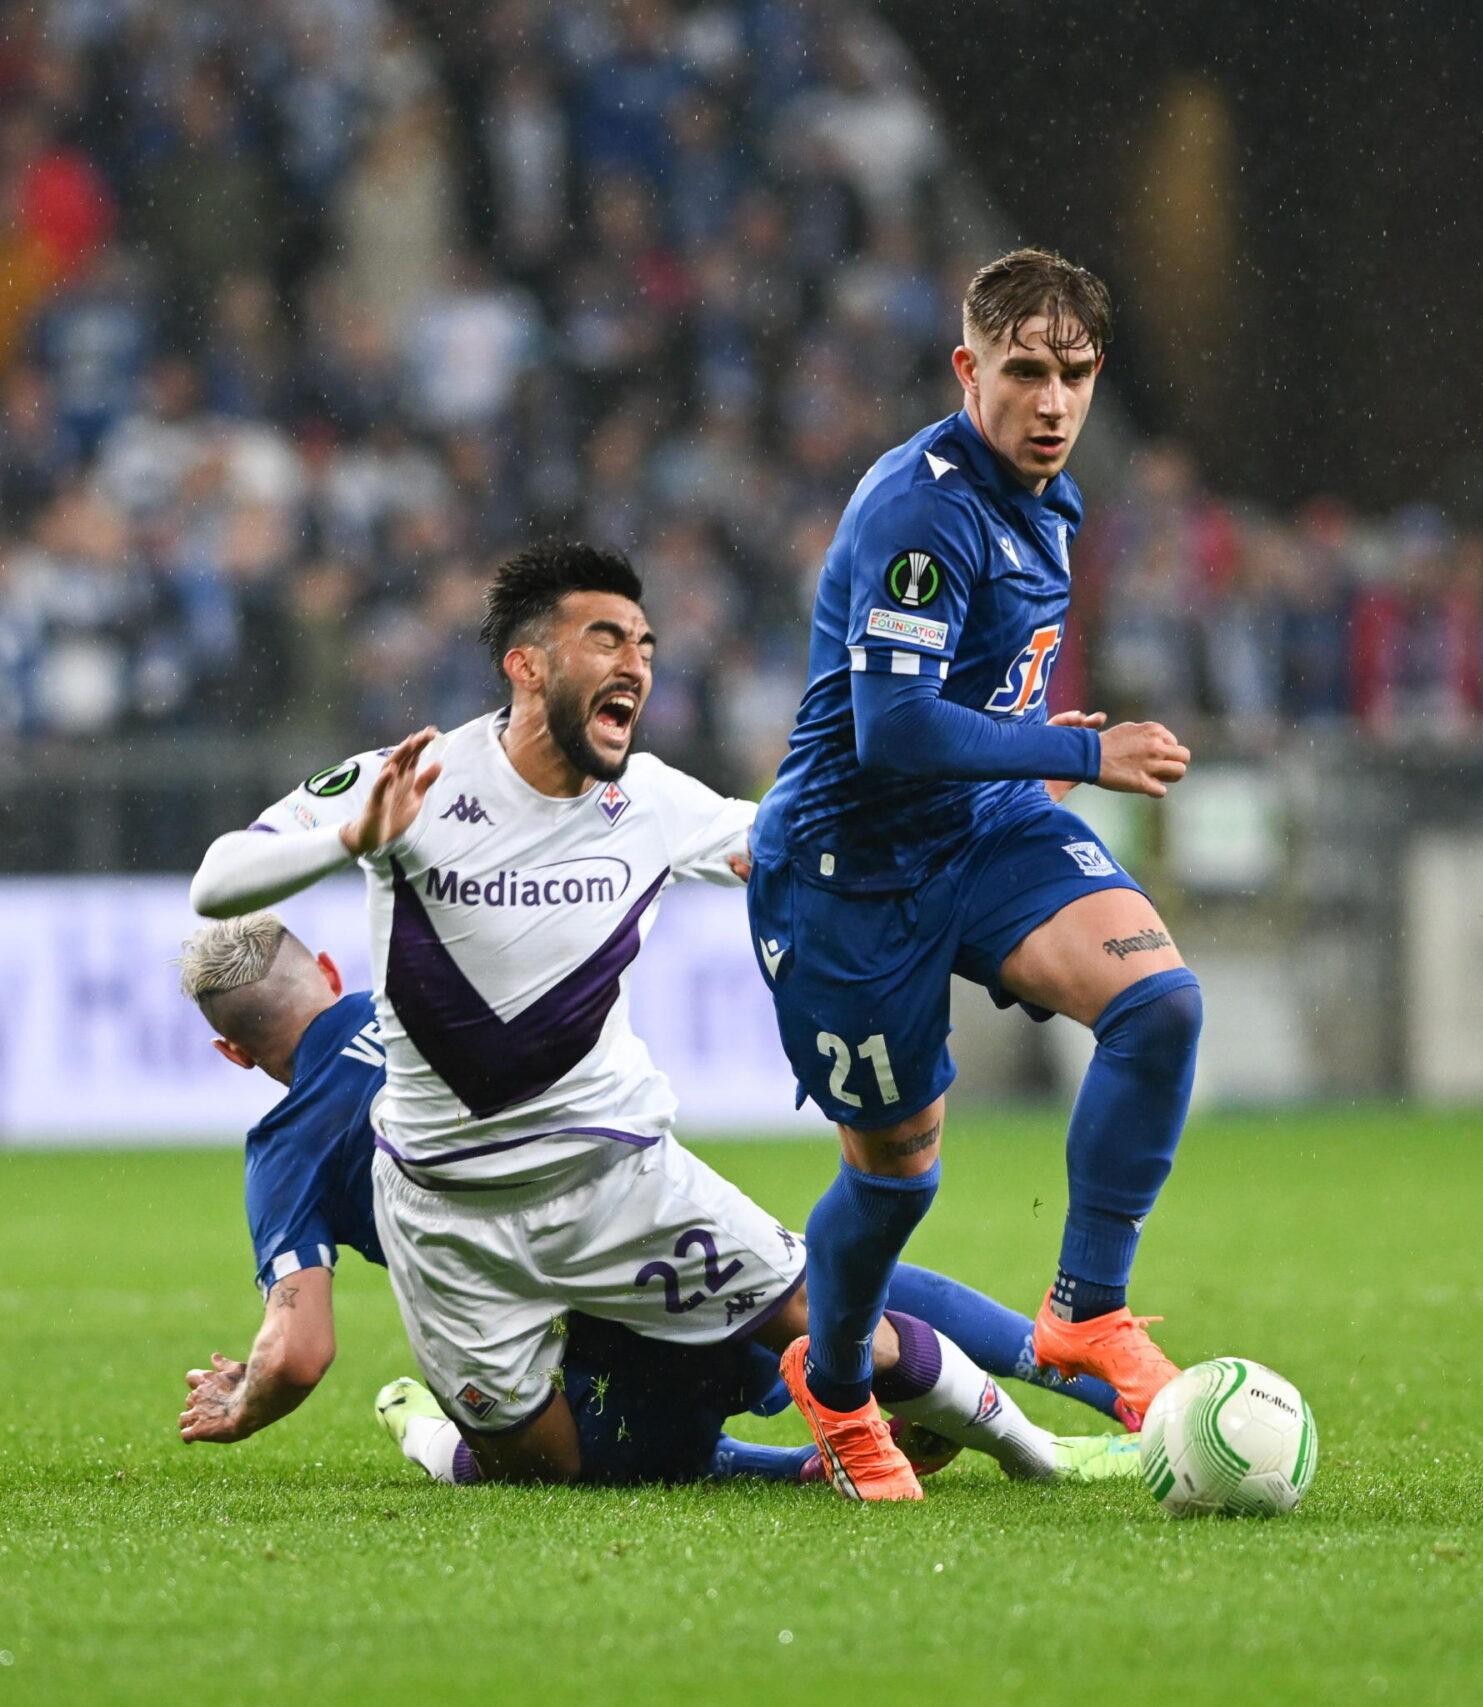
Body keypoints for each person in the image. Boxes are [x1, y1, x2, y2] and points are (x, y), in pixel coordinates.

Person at [181, 542, 1049, 1486]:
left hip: (618, 1177)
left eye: (644, 642)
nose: (636, 660)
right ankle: (434, 1429)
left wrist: (981, 812)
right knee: (546, 1470)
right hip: (445, 1220)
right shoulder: (415, 781)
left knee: (845, 1325)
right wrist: (355, 836)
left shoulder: (652, 800)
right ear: (528, 664)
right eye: (605, 638)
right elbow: (218, 879)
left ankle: (1045, 1454)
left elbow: (793, 847)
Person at [748, 248, 1203, 1502]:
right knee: (897, 1178)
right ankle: (837, 1390)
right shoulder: (919, 511)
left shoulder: (1050, 499)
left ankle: (1084, 1312)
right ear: (969, 370)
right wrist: (1081, 749)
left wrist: (1033, 767)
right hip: (847, 875)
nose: (1051, 402)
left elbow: (978, 687)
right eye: (1023, 373)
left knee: (1158, 1006)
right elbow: (889, 730)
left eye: (1075, 375)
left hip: (981, 825)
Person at [170, 912, 1134, 1486]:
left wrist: (245, 1400)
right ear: (331, 972)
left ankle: (423, 1425)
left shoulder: (284, 1152)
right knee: (821, 1285)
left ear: (236, 1053)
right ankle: (1102, 1398)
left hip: (567, 1325)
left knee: (535, 1463)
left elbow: (297, 1350)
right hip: (640, 1216)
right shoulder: (424, 996)